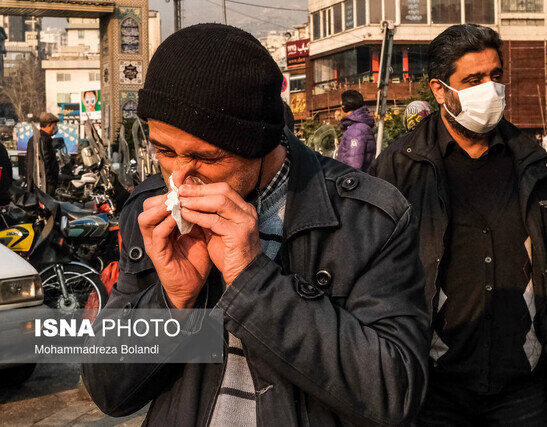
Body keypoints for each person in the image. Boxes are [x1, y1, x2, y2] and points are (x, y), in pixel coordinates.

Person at [81, 24, 430, 426]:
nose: (179, 177)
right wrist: (172, 302)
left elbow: (395, 392)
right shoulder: (149, 211)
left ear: (259, 143)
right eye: (164, 150)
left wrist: (254, 281)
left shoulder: (368, 216)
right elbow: (109, 391)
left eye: (206, 158)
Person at [370, 24, 547, 425]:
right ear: (440, 90)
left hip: (523, 385)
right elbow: (371, 275)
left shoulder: (536, 166)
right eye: (473, 80)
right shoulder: (399, 168)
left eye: (495, 76)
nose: (489, 89)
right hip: (433, 386)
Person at [336, 90, 376, 170]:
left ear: (344, 107)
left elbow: (353, 165)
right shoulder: (359, 127)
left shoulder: (356, 131)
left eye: (340, 106)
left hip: (353, 177)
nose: (339, 111)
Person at [26, 112, 59, 195]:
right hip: (44, 186)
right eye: (54, 125)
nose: (55, 128)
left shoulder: (34, 138)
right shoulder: (43, 140)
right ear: (48, 125)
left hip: (37, 183)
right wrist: (51, 183)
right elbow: (44, 164)